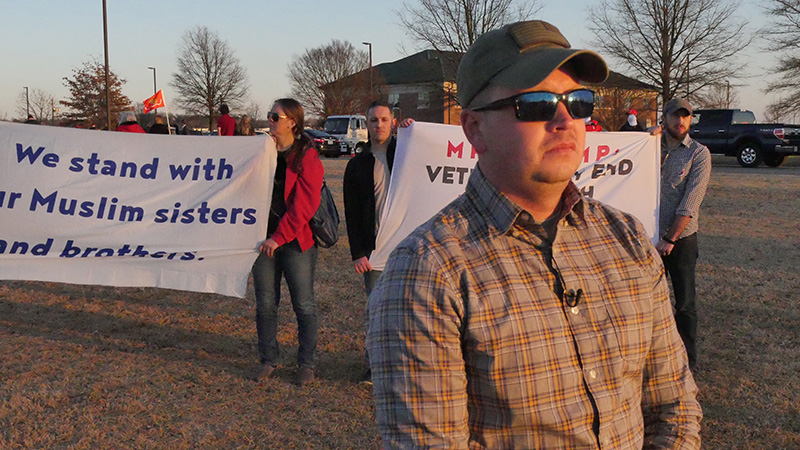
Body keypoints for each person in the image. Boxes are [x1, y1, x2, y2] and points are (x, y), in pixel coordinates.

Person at [366, 20, 702, 448]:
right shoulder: (425, 273)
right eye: (537, 103)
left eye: (578, 101)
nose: (565, 119)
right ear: (474, 129)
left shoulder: (627, 238)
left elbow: (674, 406)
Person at [251, 98, 323, 386]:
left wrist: (279, 238)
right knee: (265, 304)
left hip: (295, 242)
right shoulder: (262, 153)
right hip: (261, 240)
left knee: (303, 304)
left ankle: (306, 363)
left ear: (292, 121)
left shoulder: (307, 156)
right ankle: (268, 359)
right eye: (269, 115)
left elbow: (305, 205)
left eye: (275, 116)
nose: (270, 120)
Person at [342, 100, 412, 384]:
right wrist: (358, 252)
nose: (379, 125)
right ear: (366, 124)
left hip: (409, 246)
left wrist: (412, 133)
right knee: (377, 309)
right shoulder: (358, 165)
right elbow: (352, 214)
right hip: (375, 251)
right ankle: (375, 365)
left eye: (384, 120)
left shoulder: (407, 154)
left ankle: (405, 364)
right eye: (373, 120)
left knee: (410, 309)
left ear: (393, 122)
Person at [656, 97, 712, 373]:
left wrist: (670, 239)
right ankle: (654, 358)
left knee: (684, 302)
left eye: (686, 116)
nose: (680, 121)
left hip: (681, 240)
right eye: (675, 116)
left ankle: (687, 361)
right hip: (646, 237)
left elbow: (691, 201)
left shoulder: (698, 154)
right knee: (650, 302)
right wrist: (642, 138)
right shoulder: (648, 148)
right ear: (664, 117)